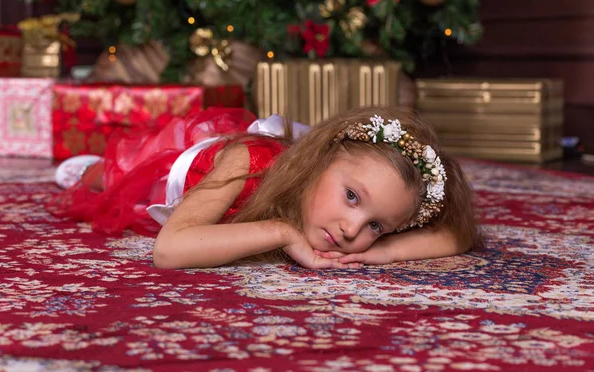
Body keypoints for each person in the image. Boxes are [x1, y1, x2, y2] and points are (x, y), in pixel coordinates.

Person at [51, 106, 482, 270]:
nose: (352, 229)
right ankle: (93, 168)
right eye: (351, 198)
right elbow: (169, 250)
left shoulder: (369, 205)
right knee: (113, 177)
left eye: (376, 226)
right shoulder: (248, 161)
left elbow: (457, 234)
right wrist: (281, 231)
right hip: (179, 169)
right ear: (321, 160)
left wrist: (379, 252)